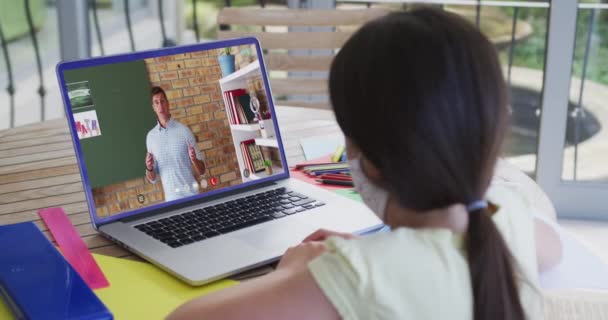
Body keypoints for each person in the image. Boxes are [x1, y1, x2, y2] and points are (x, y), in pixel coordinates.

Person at [167, 8, 562, 320]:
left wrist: (296, 274)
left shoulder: (354, 279)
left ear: (368, 163)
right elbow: (553, 249)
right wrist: (384, 254)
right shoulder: (506, 216)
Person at [146, 86, 206, 202]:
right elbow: (152, 179)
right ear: (153, 107)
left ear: (167, 103)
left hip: (192, 196)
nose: (160, 106)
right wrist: (148, 168)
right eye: (156, 102)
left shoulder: (184, 131)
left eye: (162, 101)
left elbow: (202, 171)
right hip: (171, 200)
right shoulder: (150, 138)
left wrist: (194, 159)